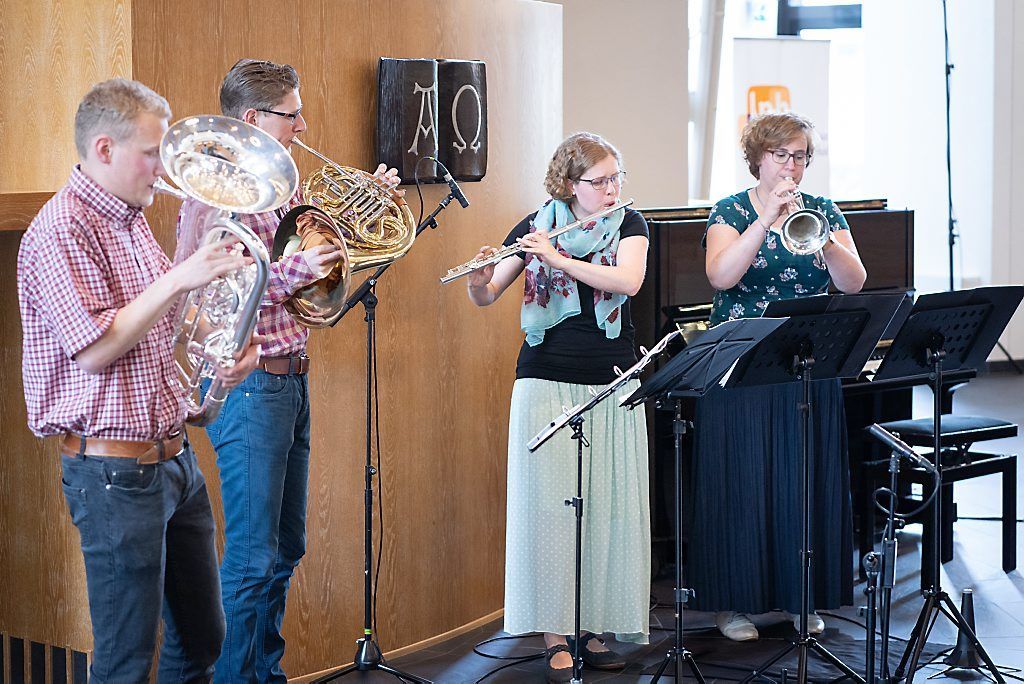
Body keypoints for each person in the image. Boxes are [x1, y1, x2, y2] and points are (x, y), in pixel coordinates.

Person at [17, 78, 261, 682]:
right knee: (127, 661)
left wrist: (220, 376)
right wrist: (182, 278)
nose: (166, 167)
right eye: (153, 153)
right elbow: (96, 350)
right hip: (113, 473)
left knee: (203, 639)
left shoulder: (128, 220)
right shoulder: (60, 230)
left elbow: (165, 341)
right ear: (104, 150)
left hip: (174, 460)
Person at [175, 58, 399, 683]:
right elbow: (222, 279)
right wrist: (303, 269)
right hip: (250, 384)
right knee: (250, 557)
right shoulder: (213, 187)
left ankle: (262, 674)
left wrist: (362, 214)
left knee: (284, 550)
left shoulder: (283, 181)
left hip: (291, 378)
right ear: (253, 118)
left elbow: (311, 251)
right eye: (291, 114)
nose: (303, 125)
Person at [467, 132, 650, 682]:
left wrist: (558, 258)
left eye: (617, 177)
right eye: (600, 181)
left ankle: (593, 625)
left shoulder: (631, 226)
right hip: (545, 379)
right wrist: (480, 277)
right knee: (548, 509)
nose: (613, 188)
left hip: (612, 379)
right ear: (571, 185)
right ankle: (554, 632)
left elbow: (628, 281)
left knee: (605, 507)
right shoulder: (535, 226)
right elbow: (486, 295)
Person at [693, 111, 867, 641]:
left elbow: (855, 283)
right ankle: (733, 602)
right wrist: (765, 219)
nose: (791, 165)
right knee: (740, 481)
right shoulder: (728, 210)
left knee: (802, 479)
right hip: (742, 362)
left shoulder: (824, 211)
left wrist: (823, 241)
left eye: (800, 156)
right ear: (758, 158)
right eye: (780, 155)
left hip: (808, 359)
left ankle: (800, 596)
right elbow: (721, 275)